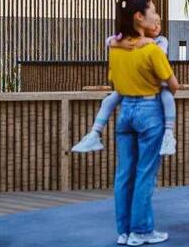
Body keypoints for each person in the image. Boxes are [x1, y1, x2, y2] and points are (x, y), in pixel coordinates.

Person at [108, 0, 179, 247]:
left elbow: (114, 81)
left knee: (124, 174)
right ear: (139, 17)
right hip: (149, 111)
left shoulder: (115, 48)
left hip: (125, 111)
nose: (156, 15)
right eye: (153, 11)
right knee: (145, 173)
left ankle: (124, 231)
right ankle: (141, 231)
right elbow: (172, 84)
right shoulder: (151, 49)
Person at [72, 20, 177, 156]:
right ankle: (94, 133)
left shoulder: (161, 40)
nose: (157, 26)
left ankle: (168, 134)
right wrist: (123, 43)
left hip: (154, 85)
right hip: (132, 83)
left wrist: (138, 44)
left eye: (159, 23)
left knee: (168, 98)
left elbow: (159, 53)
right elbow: (109, 40)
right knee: (108, 101)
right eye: (153, 22)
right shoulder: (128, 39)